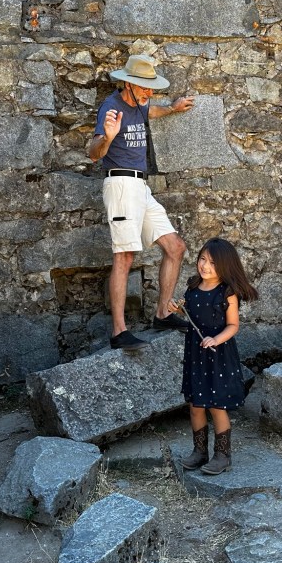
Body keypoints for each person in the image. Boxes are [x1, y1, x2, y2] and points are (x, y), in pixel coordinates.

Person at [88, 54, 195, 351]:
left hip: (141, 187)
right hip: (121, 184)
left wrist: (172, 109)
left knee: (175, 247)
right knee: (124, 256)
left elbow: (150, 112)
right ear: (128, 84)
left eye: (151, 87)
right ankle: (119, 332)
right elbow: (94, 153)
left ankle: (162, 313)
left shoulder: (140, 102)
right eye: (144, 87)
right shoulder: (110, 108)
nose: (149, 92)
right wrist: (107, 138)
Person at [170, 237, 258, 475]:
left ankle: (222, 455)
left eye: (212, 263)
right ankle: (200, 452)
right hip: (196, 354)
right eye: (202, 259)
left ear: (225, 266)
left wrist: (216, 339)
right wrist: (177, 308)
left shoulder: (227, 293)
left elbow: (233, 326)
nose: (205, 266)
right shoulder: (193, 288)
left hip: (218, 354)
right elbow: (191, 312)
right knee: (195, 405)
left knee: (217, 406)